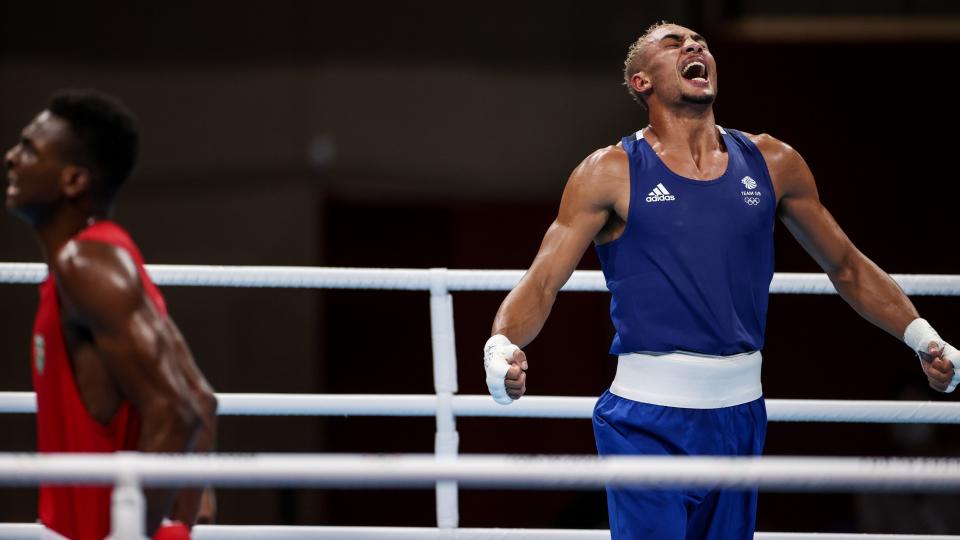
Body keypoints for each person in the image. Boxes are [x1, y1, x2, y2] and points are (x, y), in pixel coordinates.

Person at [482, 22, 959, 540]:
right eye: (674, 43)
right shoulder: (610, 171)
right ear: (642, 82)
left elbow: (845, 264)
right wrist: (501, 344)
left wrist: (922, 337)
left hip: (739, 416)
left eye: (701, 43)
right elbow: (544, 279)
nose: (694, 46)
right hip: (645, 421)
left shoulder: (774, 162)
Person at [4, 89, 218, 540]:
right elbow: (200, 400)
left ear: (74, 181)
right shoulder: (99, 262)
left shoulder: (89, 267)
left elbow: (178, 410)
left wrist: (133, 534)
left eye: (29, 149)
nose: (11, 158)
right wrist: (178, 524)